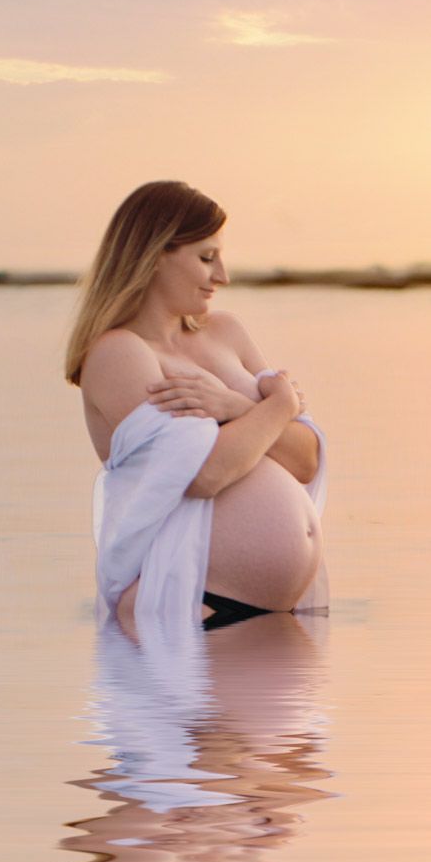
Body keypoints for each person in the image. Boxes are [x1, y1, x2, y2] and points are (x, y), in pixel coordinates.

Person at [65, 181, 325, 636]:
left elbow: (305, 460)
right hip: (193, 609)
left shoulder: (227, 333)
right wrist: (277, 404)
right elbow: (203, 474)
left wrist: (236, 405)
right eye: (206, 258)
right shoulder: (117, 354)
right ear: (153, 255)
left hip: (274, 617)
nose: (221, 276)